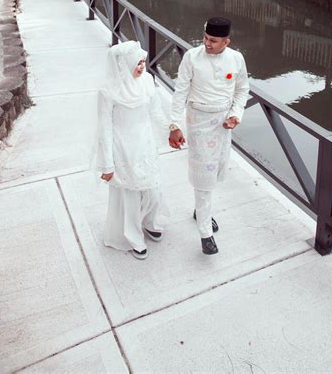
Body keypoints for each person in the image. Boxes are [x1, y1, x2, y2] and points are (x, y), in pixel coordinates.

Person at [168, 17, 249, 255]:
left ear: (227, 41)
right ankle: (205, 233)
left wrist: (236, 114)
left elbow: (242, 88)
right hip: (198, 121)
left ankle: (199, 211)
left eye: (213, 40)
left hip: (222, 123)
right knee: (203, 174)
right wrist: (174, 124)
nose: (207, 44)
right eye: (205, 38)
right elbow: (180, 90)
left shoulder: (236, 59)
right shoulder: (192, 57)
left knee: (216, 170)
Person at [96, 41, 168, 260]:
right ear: (124, 64)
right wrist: (107, 164)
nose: (142, 67)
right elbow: (104, 129)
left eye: (143, 62)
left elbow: (155, 112)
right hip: (123, 147)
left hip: (145, 144)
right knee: (130, 196)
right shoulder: (108, 91)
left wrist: (172, 127)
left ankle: (150, 222)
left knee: (153, 190)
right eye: (137, 63)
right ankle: (133, 237)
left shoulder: (146, 81)